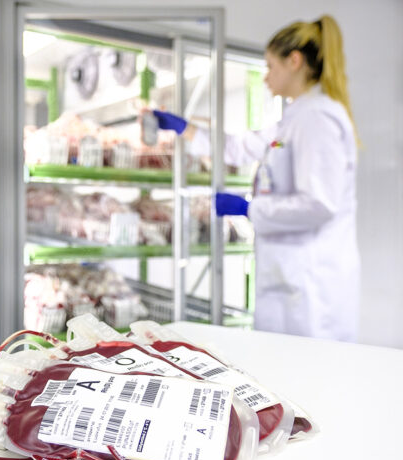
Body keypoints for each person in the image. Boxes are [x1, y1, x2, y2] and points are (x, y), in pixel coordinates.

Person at [152, 15, 360, 343]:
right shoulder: (293, 118)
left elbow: (320, 204)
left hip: (312, 286)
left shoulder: (317, 118)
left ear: (295, 62)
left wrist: (250, 209)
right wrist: (184, 128)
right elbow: (238, 148)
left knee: (307, 377)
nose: (266, 77)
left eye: (270, 67)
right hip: (290, 276)